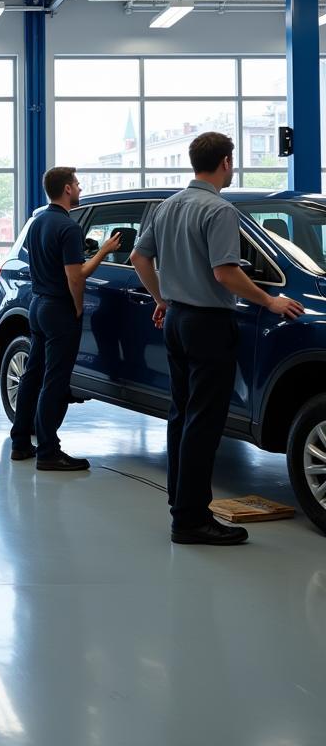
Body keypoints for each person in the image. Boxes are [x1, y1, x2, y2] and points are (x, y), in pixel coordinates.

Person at [131, 132, 304, 546]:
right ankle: (190, 520)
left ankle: (181, 504)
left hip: (176, 321)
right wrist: (270, 301)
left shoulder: (167, 207)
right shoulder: (219, 211)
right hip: (208, 324)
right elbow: (225, 273)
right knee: (204, 421)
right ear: (226, 161)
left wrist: (162, 298)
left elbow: (139, 257)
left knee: (183, 413)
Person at [9, 167, 122, 471]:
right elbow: (77, 276)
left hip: (38, 305)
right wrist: (106, 251)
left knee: (33, 375)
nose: (80, 188)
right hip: (59, 309)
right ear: (68, 189)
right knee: (55, 381)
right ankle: (48, 451)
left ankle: (20, 442)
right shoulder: (68, 227)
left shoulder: (38, 221)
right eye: (77, 184)